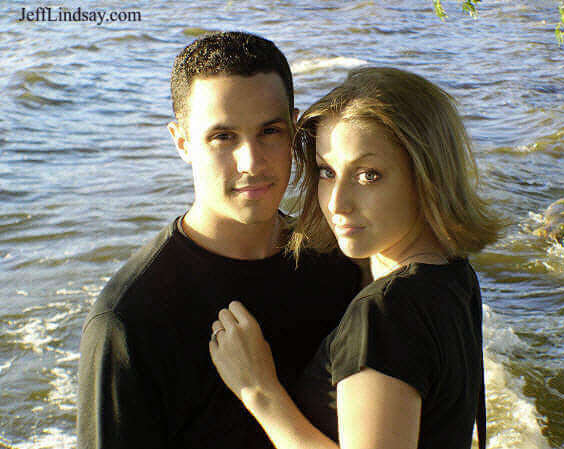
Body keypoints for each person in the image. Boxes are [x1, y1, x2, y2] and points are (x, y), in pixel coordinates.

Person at [76, 32, 363, 449]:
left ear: (295, 129)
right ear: (182, 142)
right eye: (223, 137)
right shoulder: (128, 321)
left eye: (270, 131)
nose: (251, 162)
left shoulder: (340, 261)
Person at [209, 67, 504, 449]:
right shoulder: (454, 274)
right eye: (327, 171)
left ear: (425, 176)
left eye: (368, 175)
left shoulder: (383, 314)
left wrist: (260, 393)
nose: (337, 203)